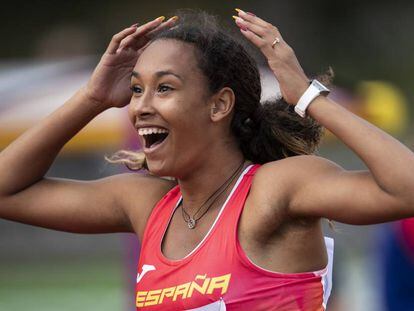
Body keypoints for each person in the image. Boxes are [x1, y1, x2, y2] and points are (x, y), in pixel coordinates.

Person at [1, 8, 414, 311]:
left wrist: (306, 97)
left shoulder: (274, 190)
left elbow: (407, 190)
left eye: (164, 88)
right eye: (136, 89)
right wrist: (90, 100)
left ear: (219, 106)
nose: (140, 106)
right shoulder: (146, 205)